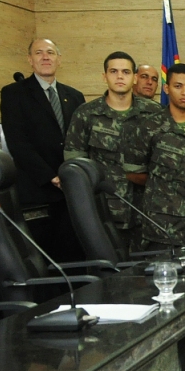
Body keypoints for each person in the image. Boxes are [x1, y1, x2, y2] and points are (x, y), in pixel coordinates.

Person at [121, 63, 185, 248]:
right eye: (178, 86)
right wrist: (165, 185)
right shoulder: (148, 126)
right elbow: (133, 172)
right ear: (167, 89)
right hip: (166, 223)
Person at [64, 51, 161, 249]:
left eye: (125, 72)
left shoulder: (155, 113)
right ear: (104, 76)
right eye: (113, 71)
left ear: (134, 78)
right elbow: (75, 169)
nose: (119, 77)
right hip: (105, 214)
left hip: (149, 212)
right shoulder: (86, 114)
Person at [0, 37, 85, 261]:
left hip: (72, 191)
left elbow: (81, 141)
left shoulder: (74, 96)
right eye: (39, 53)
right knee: (43, 260)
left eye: (50, 52)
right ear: (30, 60)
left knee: (74, 257)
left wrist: (72, 177)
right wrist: (52, 177)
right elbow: (18, 144)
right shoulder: (13, 94)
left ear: (59, 59)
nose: (45, 57)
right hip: (37, 191)